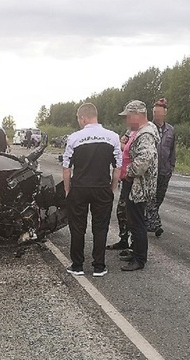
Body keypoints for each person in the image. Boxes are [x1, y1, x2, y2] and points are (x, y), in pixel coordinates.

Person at [62, 103, 122, 277]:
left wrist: (68, 190)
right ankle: (99, 266)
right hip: (102, 187)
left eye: (78, 119)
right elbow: (117, 167)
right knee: (101, 227)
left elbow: (67, 168)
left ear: (82, 118)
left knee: (77, 227)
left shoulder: (74, 138)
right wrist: (112, 188)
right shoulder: (112, 137)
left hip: (79, 187)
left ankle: (77, 265)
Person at [117, 100, 159, 271]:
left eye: (128, 116)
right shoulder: (138, 131)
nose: (126, 120)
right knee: (133, 220)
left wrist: (128, 173)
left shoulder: (146, 134)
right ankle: (135, 251)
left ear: (137, 115)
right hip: (133, 184)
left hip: (138, 185)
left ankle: (139, 259)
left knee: (137, 222)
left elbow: (144, 160)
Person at [146, 98, 176, 237]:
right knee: (150, 198)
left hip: (164, 170)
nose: (156, 115)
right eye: (154, 112)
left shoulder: (171, 130)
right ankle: (156, 224)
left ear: (165, 113)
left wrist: (171, 167)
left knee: (159, 198)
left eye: (158, 112)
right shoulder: (147, 128)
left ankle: (149, 220)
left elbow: (172, 150)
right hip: (150, 171)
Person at [106, 129, 133, 251]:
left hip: (135, 180)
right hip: (125, 178)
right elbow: (122, 143)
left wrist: (125, 145)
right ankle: (123, 240)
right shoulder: (131, 131)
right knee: (122, 211)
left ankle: (134, 246)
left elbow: (127, 148)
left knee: (134, 213)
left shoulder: (144, 132)